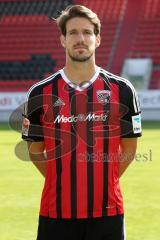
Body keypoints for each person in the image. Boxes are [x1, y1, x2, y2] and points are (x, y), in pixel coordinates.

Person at [22, 4, 142, 240]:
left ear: (97, 40)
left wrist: (105, 181)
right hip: (55, 213)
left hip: (108, 213)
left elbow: (129, 149)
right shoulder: (39, 93)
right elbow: (35, 151)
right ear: (62, 40)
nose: (80, 38)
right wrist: (62, 181)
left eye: (87, 32)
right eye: (73, 32)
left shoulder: (123, 90)